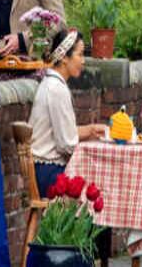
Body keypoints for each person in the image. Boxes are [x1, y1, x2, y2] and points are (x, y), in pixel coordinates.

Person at [29, 29, 109, 197]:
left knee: (99, 184)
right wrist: (91, 136)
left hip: (42, 169)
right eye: (79, 55)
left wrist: (91, 129)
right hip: (48, 173)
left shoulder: (51, 83)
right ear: (64, 57)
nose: (83, 61)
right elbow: (66, 144)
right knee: (101, 189)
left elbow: (64, 133)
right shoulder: (57, 89)